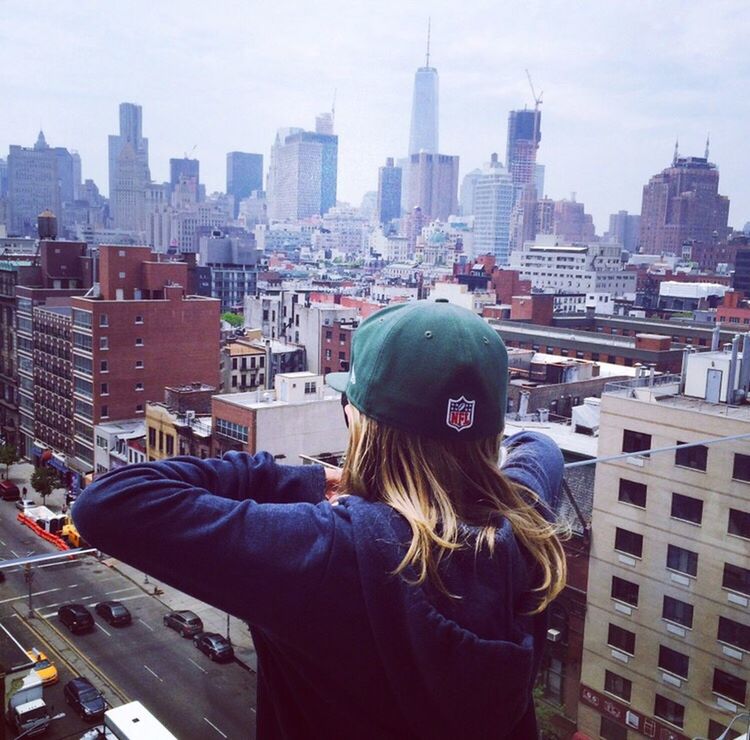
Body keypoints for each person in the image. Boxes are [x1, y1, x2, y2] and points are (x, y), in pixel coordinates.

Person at [74, 300, 567, 739]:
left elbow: (107, 503)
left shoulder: (327, 551)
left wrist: (307, 482)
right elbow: (540, 447)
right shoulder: (525, 525)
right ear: (489, 434)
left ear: (357, 422)